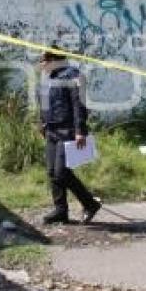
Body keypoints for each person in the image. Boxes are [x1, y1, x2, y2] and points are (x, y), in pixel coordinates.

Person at [37, 47, 102, 225]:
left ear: (54, 59)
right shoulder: (48, 78)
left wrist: (80, 130)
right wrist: (41, 122)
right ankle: (61, 211)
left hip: (67, 131)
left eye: (43, 60)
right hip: (51, 130)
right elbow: (42, 101)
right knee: (52, 172)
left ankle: (90, 204)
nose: (41, 64)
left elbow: (78, 105)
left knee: (61, 173)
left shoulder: (73, 76)